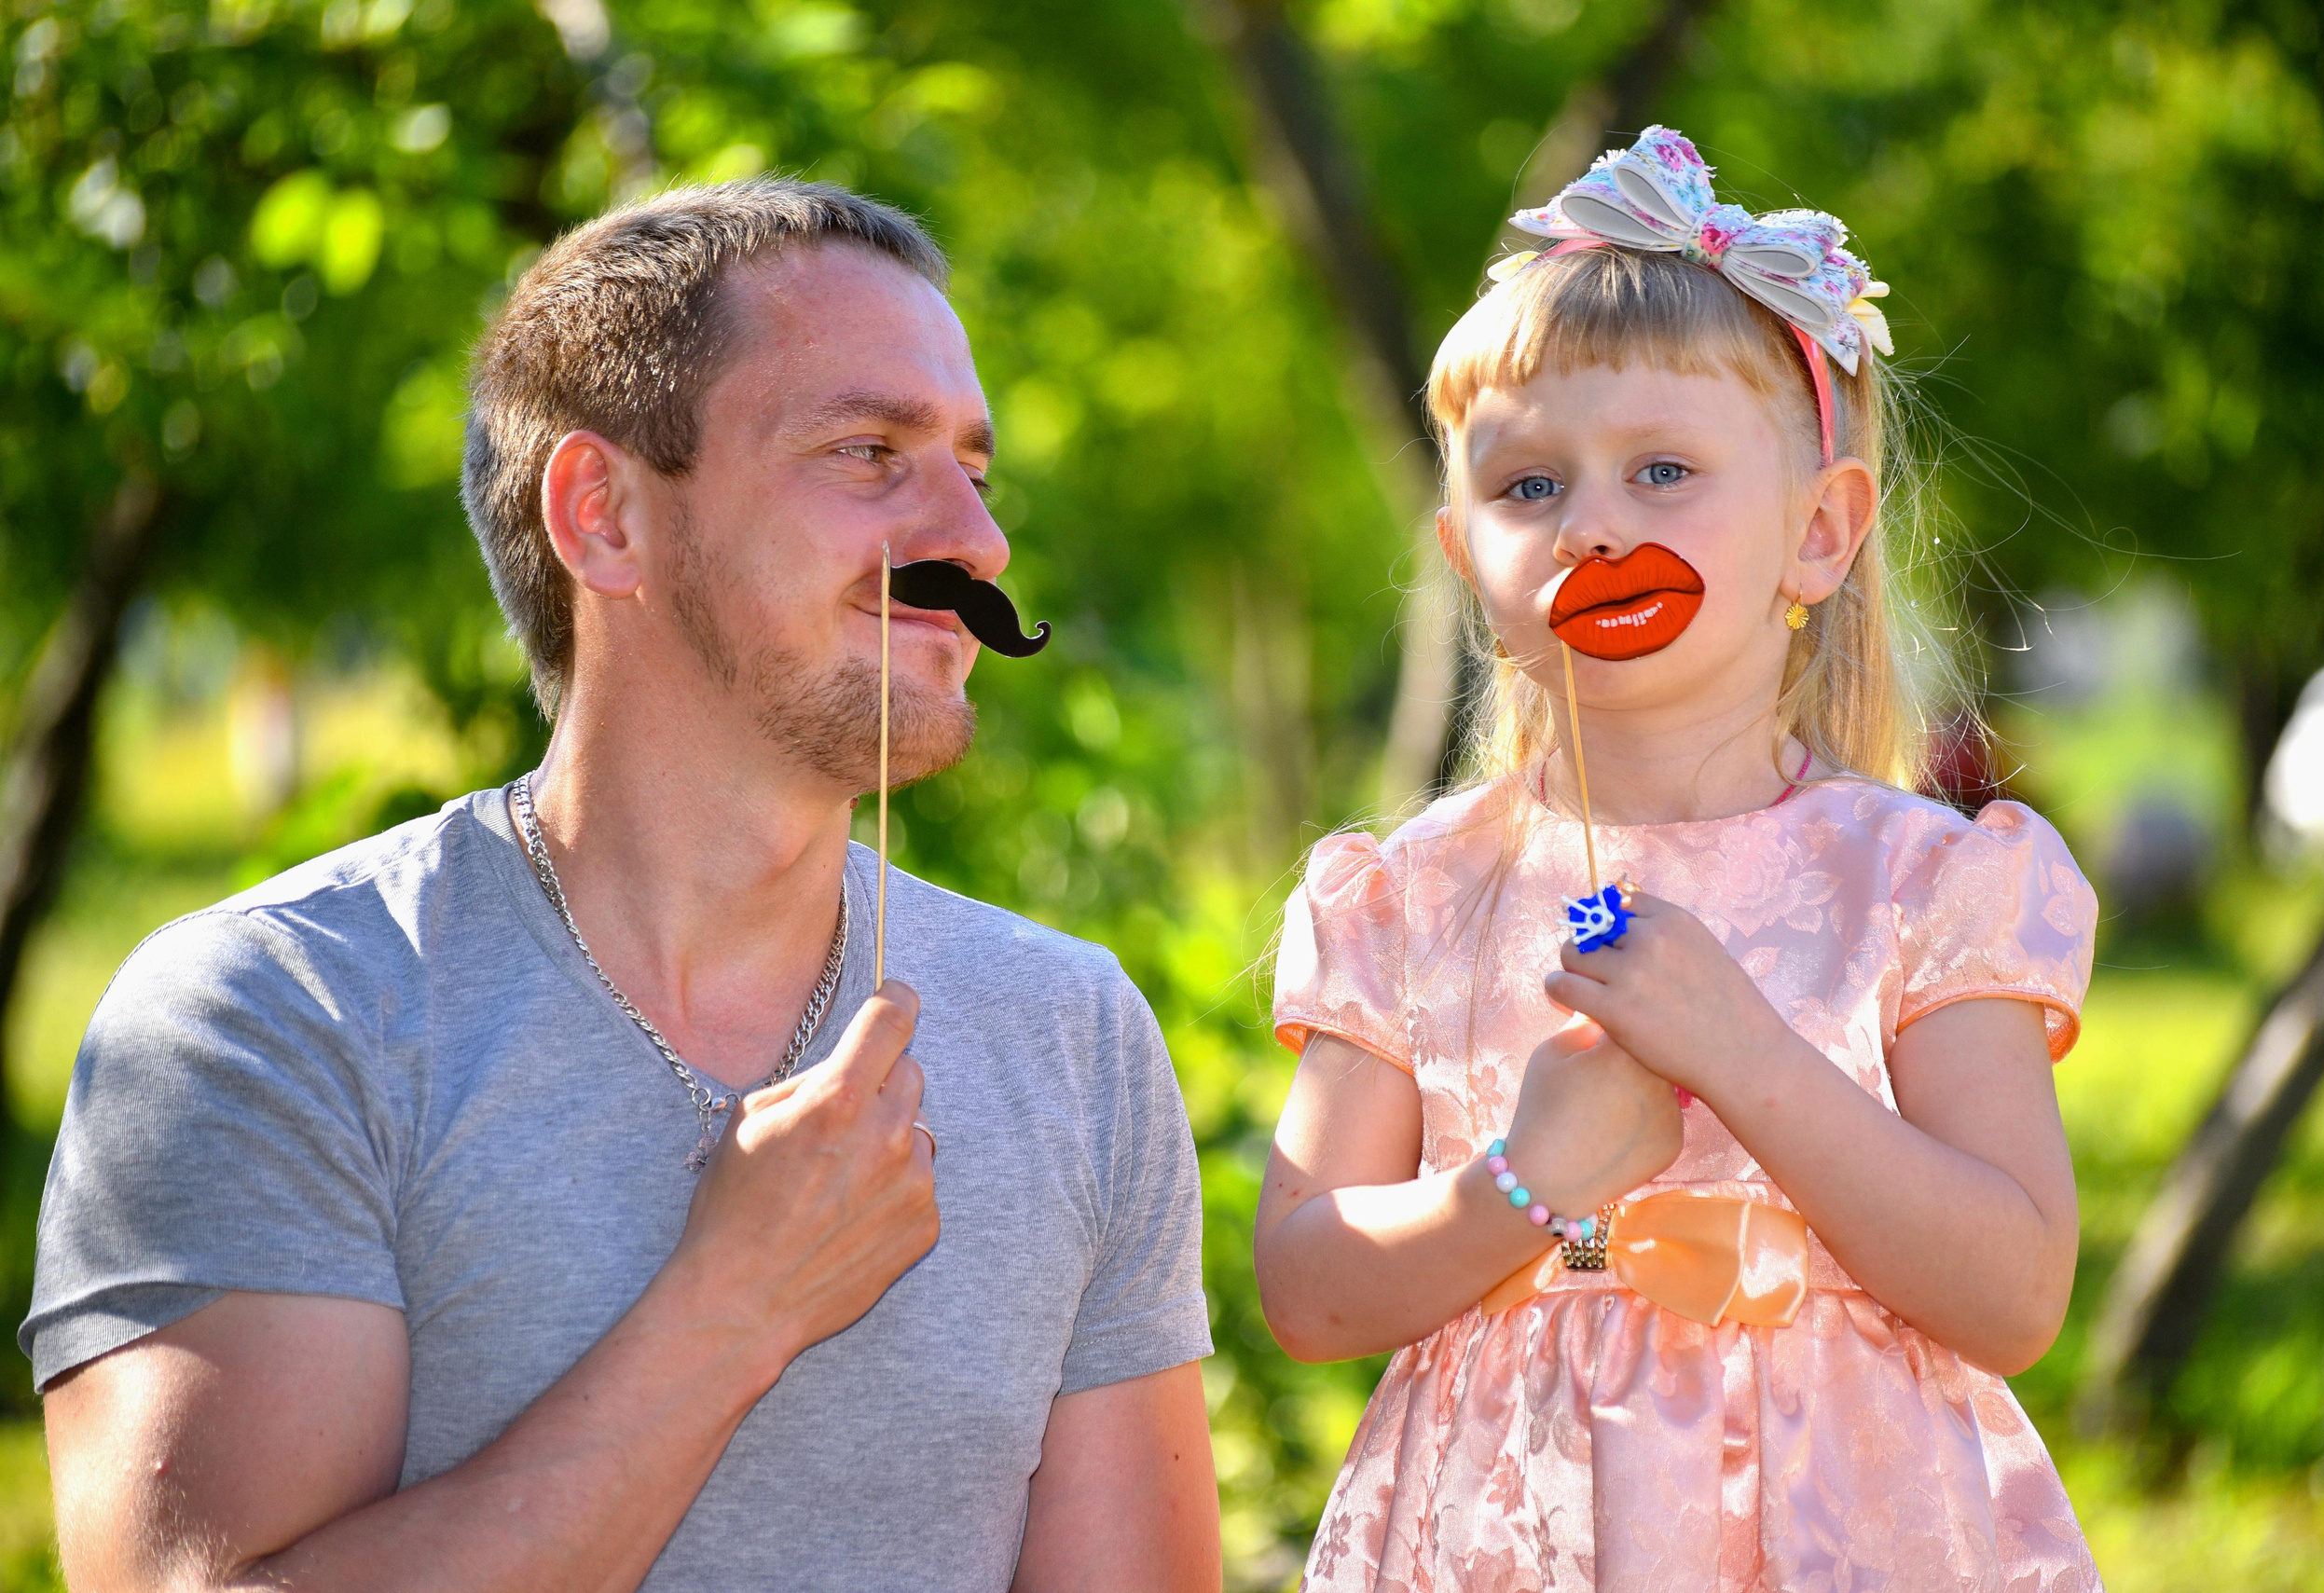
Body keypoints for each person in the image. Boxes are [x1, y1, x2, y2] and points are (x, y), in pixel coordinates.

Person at [25, 180, 1219, 1593]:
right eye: (868, 450)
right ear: (605, 517)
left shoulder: (1070, 1035)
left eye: (973, 465)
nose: (979, 541)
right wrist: (735, 1307)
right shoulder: (275, 1014)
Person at [1256, 128, 2101, 1590]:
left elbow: (2015, 1291)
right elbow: (1308, 1289)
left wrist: (1748, 1057)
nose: (1593, 525)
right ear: (1464, 553)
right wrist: (1517, 1181)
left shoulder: (1920, 882)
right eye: (1528, 490)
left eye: (1662, 470)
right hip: (1500, 1532)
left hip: (1852, 1529)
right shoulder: (1409, 896)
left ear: (1819, 532)